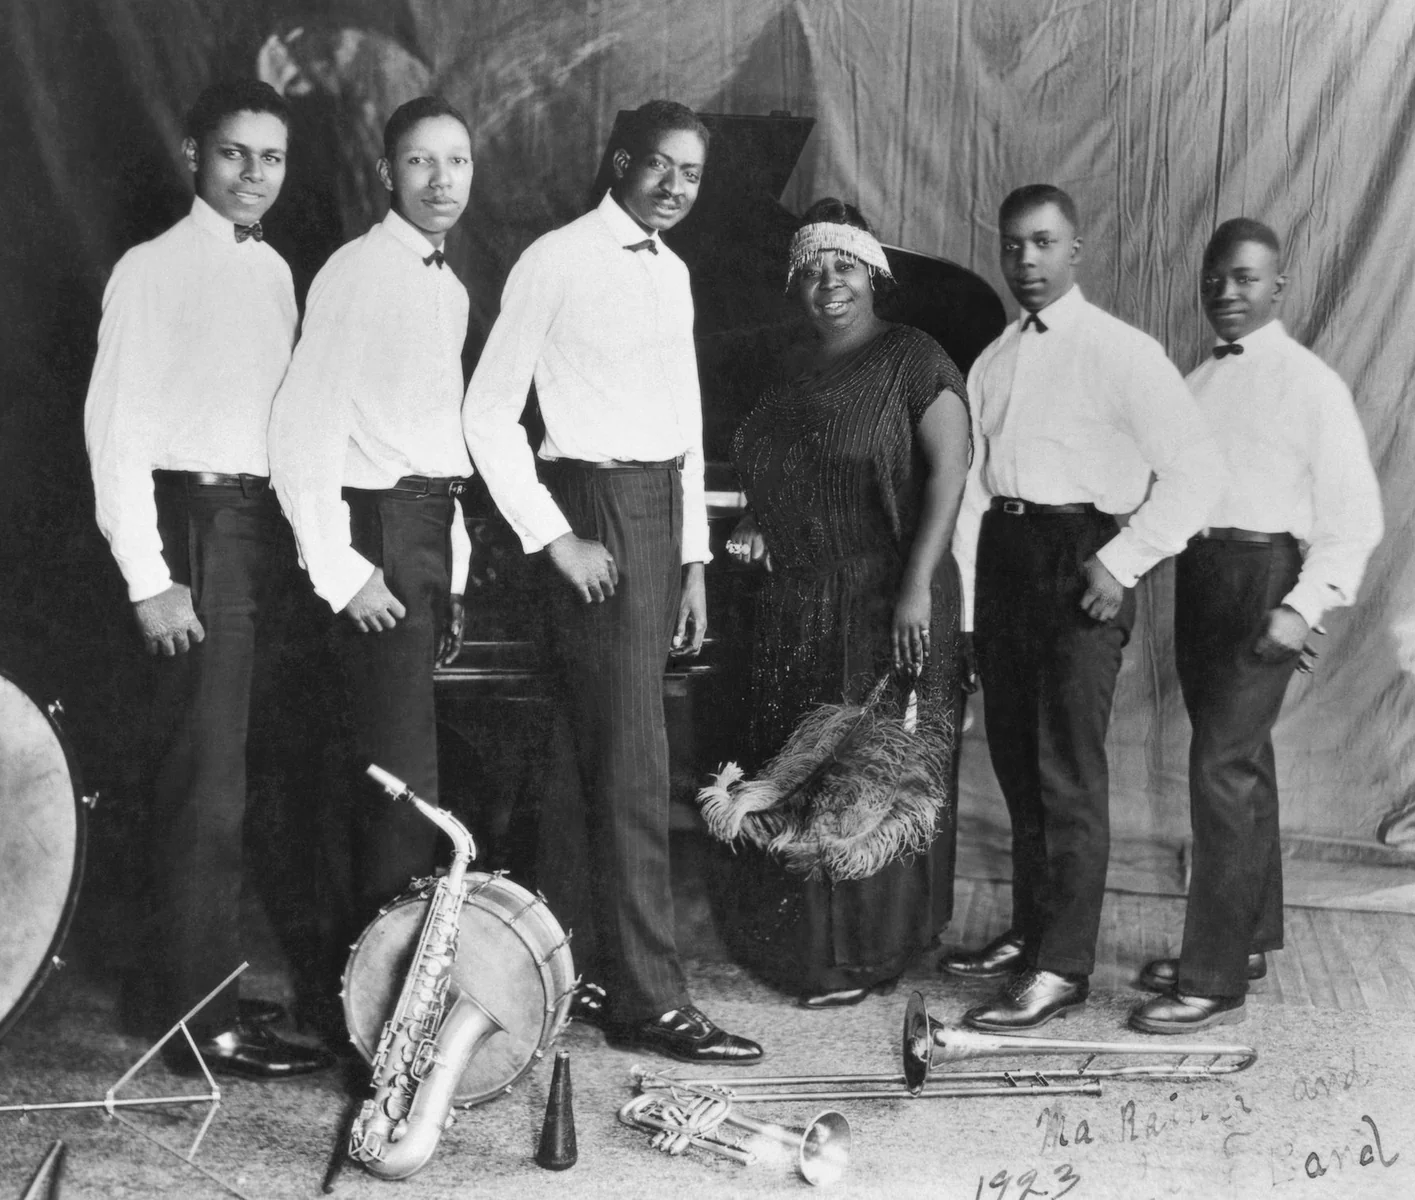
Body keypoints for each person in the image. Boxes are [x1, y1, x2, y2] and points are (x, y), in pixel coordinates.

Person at [462, 100, 761, 1064]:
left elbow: (686, 429)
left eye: (692, 175)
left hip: (656, 518)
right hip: (589, 512)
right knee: (633, 764)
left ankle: (577, 971)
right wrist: (555, 536)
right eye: (660, 167)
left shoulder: (672, 272)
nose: (675, 187)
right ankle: (649, 1000)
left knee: (585, 752)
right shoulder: (556, 257)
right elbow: (487, 414)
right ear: (619, 160)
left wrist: (695, 562)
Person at [83, 78, 333, 1078]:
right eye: (234, 154)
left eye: (270, 158)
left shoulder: (272, 271)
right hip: (193, 529)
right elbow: (116, 436)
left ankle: (184, 985)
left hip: (254, 528)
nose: (252, 175)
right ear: (194, 156)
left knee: (228, 778)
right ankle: (198, 1023)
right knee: (204, 787)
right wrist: (152, 579)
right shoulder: (152, 268)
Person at [944, 184, 1223, 1031]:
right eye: (1013, 246)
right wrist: (964, 616)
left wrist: (1123, 561)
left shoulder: (1123, 352)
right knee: (1020, 766)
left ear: (1076, 251)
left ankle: (1062, 968)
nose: (1026, 261)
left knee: (1068, 772)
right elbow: (972, 493)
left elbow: (1197, 474)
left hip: (1082, 562)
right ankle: (1032, 931)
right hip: (1005, 559)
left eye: (1043, 244)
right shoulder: (992, 359)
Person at [1129, 219, 1383, 1033]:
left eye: (1244, 279)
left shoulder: (1313, 385)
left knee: (1220, 772)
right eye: (1215, 279)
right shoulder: (1195, 382)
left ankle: (1210, 980)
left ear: (1278, 287)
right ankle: (1244, 939)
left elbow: (1356, 517)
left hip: (1267, 579)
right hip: (1202, 577)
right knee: (1241, 764)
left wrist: (1301, 604)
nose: (1226, 294)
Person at [726, 199, 971, 1007]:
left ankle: (863, 954)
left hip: (887, 594)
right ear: (799, 278)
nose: (831, 282)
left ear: (876, 273)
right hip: (800, 596)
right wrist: (763, 517)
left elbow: (948, 474)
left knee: (868, 767)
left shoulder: (915, 357)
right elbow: (776, 468)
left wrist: (913, 593)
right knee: (798, 760)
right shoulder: (789, 369)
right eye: (815, 267)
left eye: (847, 265)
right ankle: (799, 949)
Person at [267, 97, 475, 983]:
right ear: (387, 174)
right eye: (421, 163)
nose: (441, 181)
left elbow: (438, 440)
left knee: (404, 775)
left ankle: (387, 989)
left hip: (426, 533)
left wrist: (455, 573)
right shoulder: (355, 272)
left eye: (457, 162)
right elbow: (298, 433)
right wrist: (344, 572)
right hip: (374, 536)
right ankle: (374, 1004)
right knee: (395, 784)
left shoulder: (451, 285)